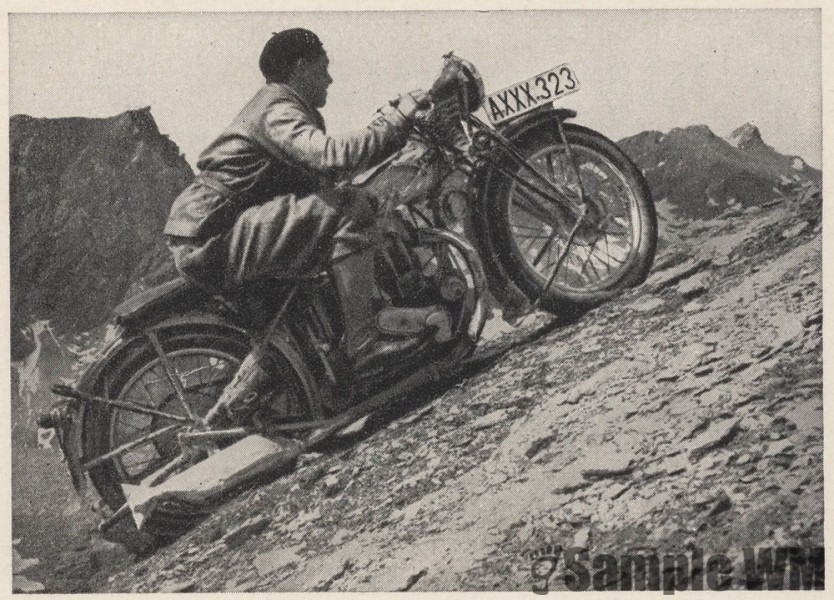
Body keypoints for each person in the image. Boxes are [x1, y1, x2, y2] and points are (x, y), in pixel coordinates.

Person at [164, 28, 428, 416]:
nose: (330, 78)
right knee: (350, 208)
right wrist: (394, 124)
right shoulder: (277, 108)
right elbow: (329, 156)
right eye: (323, 68)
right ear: (301, 67)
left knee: (332, 213)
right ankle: (365, 344)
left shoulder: (278, 106)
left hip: (213, 231)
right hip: (210, 235)